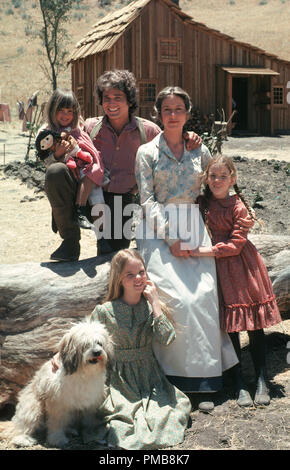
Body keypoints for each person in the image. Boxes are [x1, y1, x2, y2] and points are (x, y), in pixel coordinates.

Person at [135, 86, 240, 411]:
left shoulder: (200, 149)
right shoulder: (147, 152)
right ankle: (171, 381)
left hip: (194, 226)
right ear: (159, 114)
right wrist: (169, 239)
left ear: (187, 112)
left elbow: (215, 184)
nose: (173, 115)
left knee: (203, 296)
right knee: (173, 298)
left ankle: (205, 382)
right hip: (157, 230)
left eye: (179, 108)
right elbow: (147, 199)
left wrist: (234, 219)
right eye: (167, 109)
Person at [52, 248, 192, 450]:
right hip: (118, 378)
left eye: (141, 272)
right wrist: (59, 353)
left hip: (149, 378)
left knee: (167, 414)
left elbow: (167, 338)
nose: (138, 278)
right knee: (119, 420)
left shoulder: (150, 306)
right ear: (119, 279)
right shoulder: (105, 311)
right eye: (130, 274)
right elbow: (84, 335)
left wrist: (155, 303)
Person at [192, 155, 282, 406]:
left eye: (223, 176)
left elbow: (235, 245)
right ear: (206, 179)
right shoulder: (203, 203)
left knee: (253, 324)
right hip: (217, 271)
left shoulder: (238, 206)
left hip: (242, 268)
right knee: (230, 326)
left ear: (233, 179)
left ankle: (262, 379)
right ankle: (239, 382)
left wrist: (203, 252)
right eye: (213, 176)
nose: (217, 180)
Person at [84, 69, 202, 256]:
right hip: (90, 195)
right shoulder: (90, 128)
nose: (112, 103)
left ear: (129, 100)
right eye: (107, 98)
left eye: (118, 97)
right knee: (58, 173)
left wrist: (189, 137)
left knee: (115, 253)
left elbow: (169, 141)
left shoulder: (147, 131)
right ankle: (69, 229)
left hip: (122, 200)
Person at [43, 89, 105, 261]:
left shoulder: (79, 131)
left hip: (86, 175)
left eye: (70, 111)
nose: (65, 115)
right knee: (55, 171)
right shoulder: (48, 134)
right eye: (61, 110)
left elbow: (90, 153)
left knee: (97, 197)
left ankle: (104, 240)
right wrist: (57, 155)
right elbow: (43, 163)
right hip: (67, 181)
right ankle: (70, 242)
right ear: (52, 110)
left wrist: (89, 168)